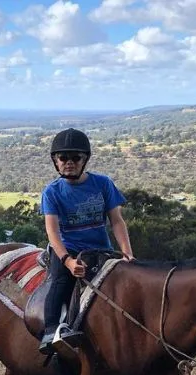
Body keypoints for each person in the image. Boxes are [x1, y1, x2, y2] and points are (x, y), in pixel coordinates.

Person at [39, 128, 134, 354]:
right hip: (67, 249)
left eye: (75, 158)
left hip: (101, 250)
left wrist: (127, 253)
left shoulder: (103, 184)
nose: (69, 163)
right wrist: (68, 261)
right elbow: (52, 232)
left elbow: (117, 222)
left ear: (85, 160)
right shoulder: (52, 192)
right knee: (60, 283)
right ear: (55, 161)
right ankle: (51, 331)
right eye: (63, 158)